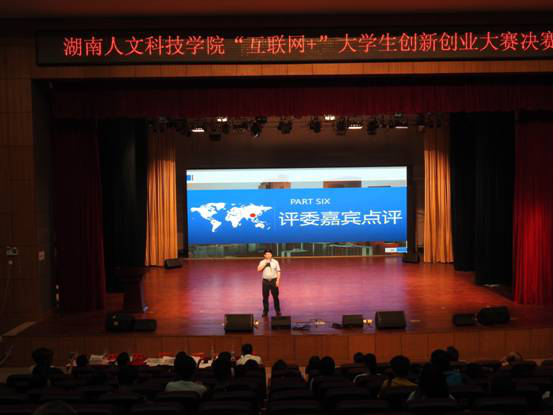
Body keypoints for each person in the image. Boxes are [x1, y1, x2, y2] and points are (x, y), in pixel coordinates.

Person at [257, 249, 281, 317]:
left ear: (271, 255)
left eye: (269, 254)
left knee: (275, 297)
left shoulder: (275, 262)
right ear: (264, 255)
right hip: (265, 282)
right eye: (266, 254)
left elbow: (278, 271)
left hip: (273, 281)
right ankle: (265, 311)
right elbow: (258, 269)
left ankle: (277, 310)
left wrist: (278, 281)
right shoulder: (262, 262)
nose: (268, 255)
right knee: (265, 297)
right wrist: (265, 263)